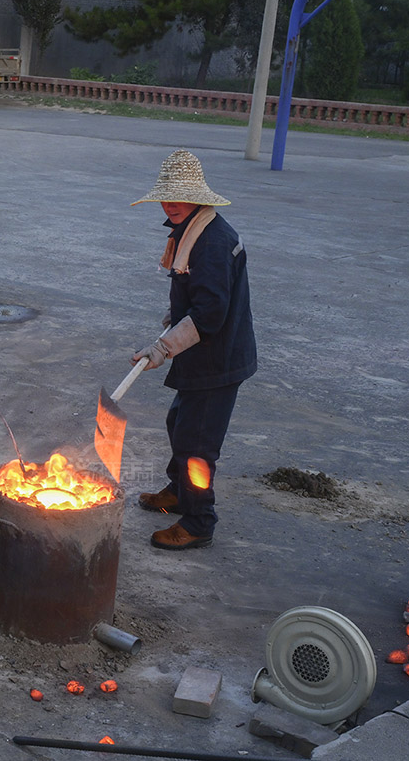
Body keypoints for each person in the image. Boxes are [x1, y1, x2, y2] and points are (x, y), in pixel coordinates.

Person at [129, 149, 257, 551]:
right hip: (200, 355)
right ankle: (179, 490)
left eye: (180, 195)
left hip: (217, 358)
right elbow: (195, 295)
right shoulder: (188, 229)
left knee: (197, 446)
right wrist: (174, 317)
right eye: (166, 195)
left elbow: (211, 314)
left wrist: (163, 348)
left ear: (200, 196)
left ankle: (200, 518)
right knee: (178, 423)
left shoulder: (214, 242)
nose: (171, 202)